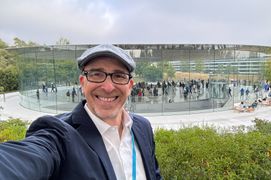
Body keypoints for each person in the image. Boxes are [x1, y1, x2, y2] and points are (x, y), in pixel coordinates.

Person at [0, 44, 162, 180]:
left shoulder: (142, 127)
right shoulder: (60, 134)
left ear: (130, 86)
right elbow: (25, 158)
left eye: (119, 76)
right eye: (96, 74)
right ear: (82, 83)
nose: (108, 87)